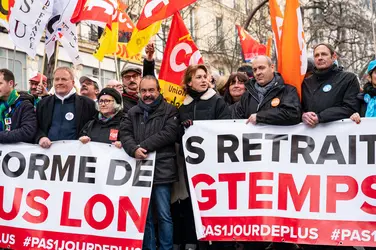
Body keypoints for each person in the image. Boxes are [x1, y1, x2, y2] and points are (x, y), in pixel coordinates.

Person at [175, 64, 231, 250]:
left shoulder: (218, 102)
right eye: (198, 77)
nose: (204, 80)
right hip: (192, 167)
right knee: (195, 207)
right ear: (189, 82)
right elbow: (177, 133)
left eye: (205, 76)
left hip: (215, 165)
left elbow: (225, 128)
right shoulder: (183, 106)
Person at [120, 75, 179, 250]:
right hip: (140, 171)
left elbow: (169, 134)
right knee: (144, 216)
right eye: (144, 91)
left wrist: (142, 147)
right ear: (139, 92)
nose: (147, 94)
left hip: (162, 169)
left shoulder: (170, 110)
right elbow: (125, 133)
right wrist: (133, 149)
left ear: (158, 90)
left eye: (151, 90)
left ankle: (166, 248)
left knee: (163, 215)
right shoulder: (132, 112)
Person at [35, 67, 97, 148]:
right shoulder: (43, 104)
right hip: (48, 154)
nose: (59, 82)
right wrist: (40, 137)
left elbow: (94, 128)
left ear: (73, 82)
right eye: (57, 79)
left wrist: (85, 136)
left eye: (64, 79)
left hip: (76, 154)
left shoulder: (88, 104)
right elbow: (35, 127)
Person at [302, 43, 359, 127]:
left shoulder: (348, 79)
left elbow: (350, 108)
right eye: (316, 55)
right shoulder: (306, 82)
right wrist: (303, 115)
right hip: (309, 137)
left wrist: (320, 117)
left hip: (338, 136)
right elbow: (298, 107)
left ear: (334, 57)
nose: (320, 58)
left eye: (324, 54)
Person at [232, 55, 301, 126]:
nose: (258, 73)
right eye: (255, 70)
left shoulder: (287, 91)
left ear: (272, 68)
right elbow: (237, 123)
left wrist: (260, 117)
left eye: (261, 68)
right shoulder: (247, 95)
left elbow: (293, 114)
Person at [0, 69, 37, 143]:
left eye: (0, 83)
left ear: (10, 83)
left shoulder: (25, 105)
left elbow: (28, 132)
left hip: (16, 153)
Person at [121, 43, 156, 113]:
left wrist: (149, 57)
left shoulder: (149, 96)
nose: (131, 79)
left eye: (134, 76)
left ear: (140, 78)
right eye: (127, 77)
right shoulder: (120, 101)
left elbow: (149, 77)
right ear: (122, 80)